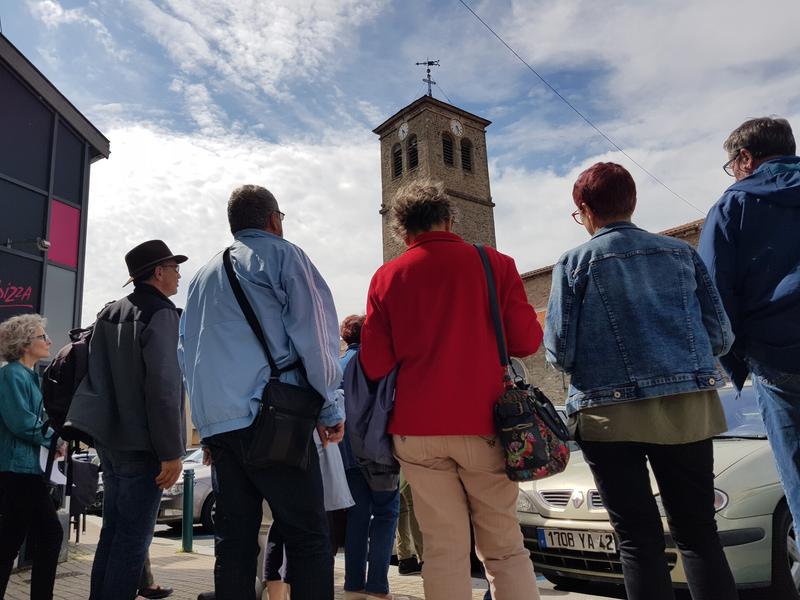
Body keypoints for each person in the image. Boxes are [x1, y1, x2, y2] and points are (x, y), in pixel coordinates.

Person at [544, 162, 738, 600]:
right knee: (698, 534)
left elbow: (559, 353)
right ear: (632, 202)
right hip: (688, 409)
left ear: (585, 209)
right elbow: (721, 336)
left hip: (607, 416)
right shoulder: (681, 253)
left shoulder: (574, 263)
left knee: (636, 538)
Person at [359, 180, 542, 600]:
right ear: (449, 218)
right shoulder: (495, 264)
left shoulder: (386, 278)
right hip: (486, 423)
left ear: (402, 231)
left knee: (443, 549)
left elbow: (375, 364)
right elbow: (526, 341)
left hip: (417, 429)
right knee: (503, 548)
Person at [178, 184, 345, 600]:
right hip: (273, 419)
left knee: (233, 542)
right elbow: (316, 337)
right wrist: (330, 408)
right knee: (308, 537)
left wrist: (207, 428)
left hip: (220, 427)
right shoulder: (285, 256)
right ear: (274, 220)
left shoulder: (201, 277)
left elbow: (186, 354)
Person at [66, 240, 188, 600]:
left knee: (113, 533)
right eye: (175, 268)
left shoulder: (110, 312)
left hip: (109, 440)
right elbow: (163, 387)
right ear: (159, 272)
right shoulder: (161, 312)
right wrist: (171, 451)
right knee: (133, 541)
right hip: (143, 443)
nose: (179, 275)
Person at [699, 116, 800, 547]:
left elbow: (713, 296)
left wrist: (738, 359)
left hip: (779, 360)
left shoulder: (732, 207)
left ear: (745, 158)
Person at [0, 314, 64, 600]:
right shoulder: (12, 374)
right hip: (19, 469)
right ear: (25, 343)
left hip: (23, 468)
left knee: (9, 540)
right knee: (51, 535)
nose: (49, 341)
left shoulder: (27, 375)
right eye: (42, 336)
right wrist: (54, 439)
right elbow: (21, 422)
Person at [338, 314, 401, 600]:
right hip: (378, 452)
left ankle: (353, 585)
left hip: (346, 454)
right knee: (386, 514)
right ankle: (377, 587)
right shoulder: (378, 362)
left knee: (357, 517)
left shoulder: (337, 366)